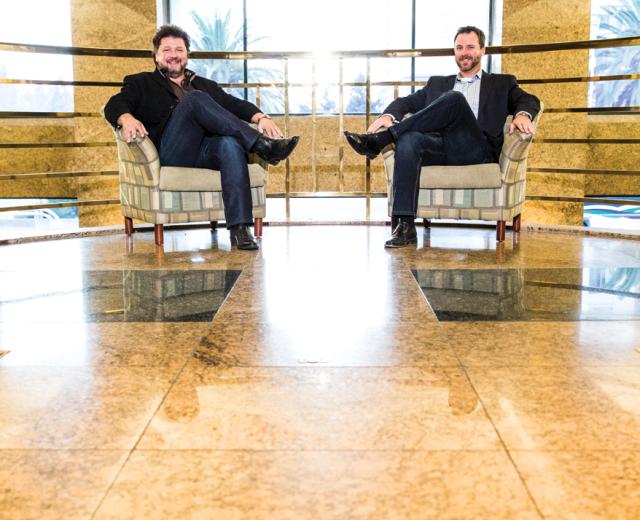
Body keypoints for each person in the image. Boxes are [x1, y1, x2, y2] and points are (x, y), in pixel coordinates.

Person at [104, 24, 299, 250]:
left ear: (187, 55)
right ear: (156, 55)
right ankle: (262, 145)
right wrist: (125, 117)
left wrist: (260, 117)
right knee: (195, 99)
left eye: (179, 50)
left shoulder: (205, 85)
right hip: (172, 152)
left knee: (229, 144)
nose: (173, 55)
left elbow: (233, 104)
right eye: (167, 50)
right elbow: (114, 103)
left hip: (204, 151)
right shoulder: (141, 82)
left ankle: (240, 230)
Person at [344, 26, 540, 248]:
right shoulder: (437, 84)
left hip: (477, 150)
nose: (464, 53)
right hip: (440, 146)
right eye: (459, 48)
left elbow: (529, 100)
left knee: (454, 99)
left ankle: (381, 141)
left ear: (482, 50)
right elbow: (406, 102)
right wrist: (388, 115)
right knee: (408, 140)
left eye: (470, 47)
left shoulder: (502, 83)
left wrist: (523, 114)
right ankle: (406, 227)